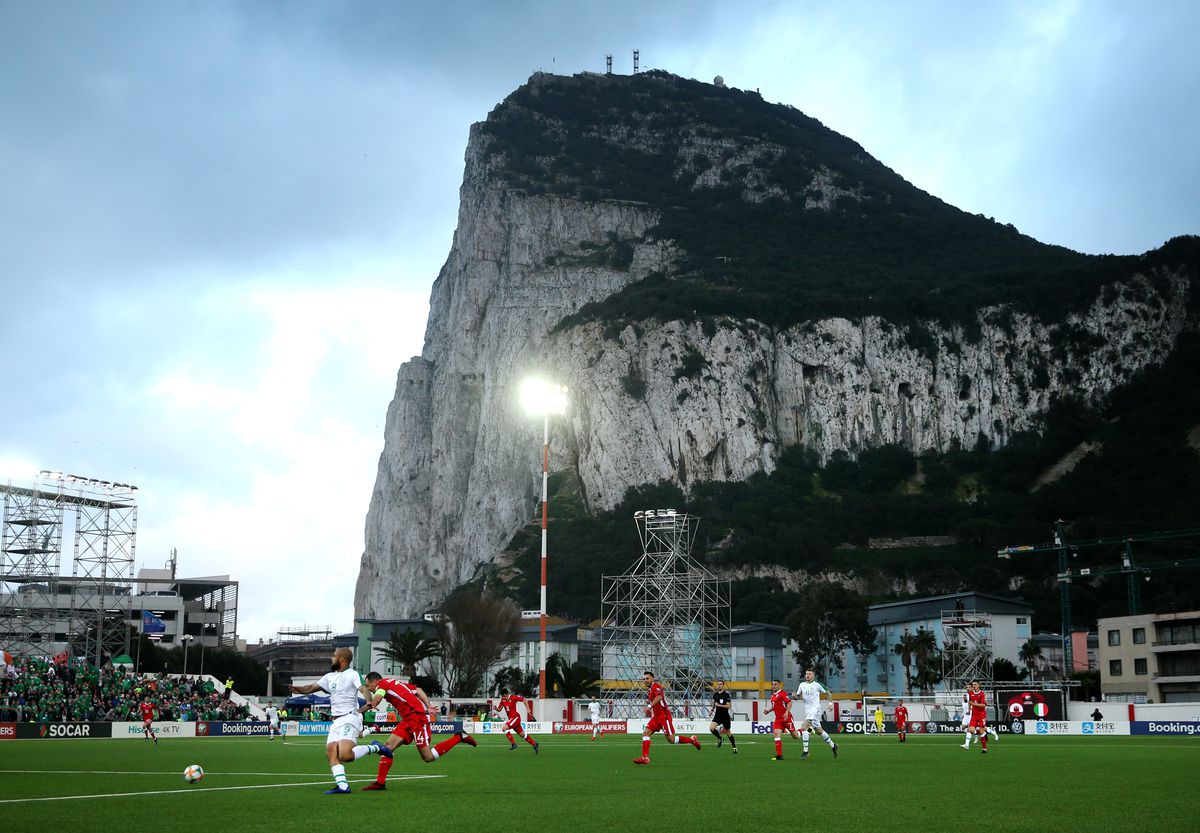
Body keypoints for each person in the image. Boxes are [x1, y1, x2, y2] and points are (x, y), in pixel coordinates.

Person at [288, 647, 390, 794]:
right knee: (331, 752)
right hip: (335, 721)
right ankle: (343, 786)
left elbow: (363, 689)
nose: (331, 658)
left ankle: (376, 748)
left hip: (349, 717)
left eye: (334, 656)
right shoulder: (329, 676)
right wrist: (299, 690)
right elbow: (311, 687)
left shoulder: (352, 674)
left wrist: (369, 701)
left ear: (341, 659)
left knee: (345, 755)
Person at [358, 672, 477, 790]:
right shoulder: (393, 682)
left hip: (416, 719)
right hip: (407, 720)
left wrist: (367, 706)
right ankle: (380, 783)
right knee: (388, 747)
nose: (369, 689)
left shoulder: (382, 684)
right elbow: (418, 690)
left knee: (428, 757)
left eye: (368, 686)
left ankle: (459, 737)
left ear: (375, 682)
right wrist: (428, 706)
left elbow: (378, 697)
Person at [633, 671, 701, 764]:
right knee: (645, 734)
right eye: (644, 679)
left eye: (647, 678)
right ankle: (645, 757)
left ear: (652, 678)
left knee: (671, 740)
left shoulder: (656, 686)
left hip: (664, 717)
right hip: (656, 717)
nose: (645, 680)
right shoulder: (650, 689)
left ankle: (692, 740)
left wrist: (649, 706)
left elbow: (659, 697)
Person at [794, 669, 838, 760]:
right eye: (806, 674)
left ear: (813, 675)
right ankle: (833, 745)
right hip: (808, 711)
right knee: (819, 731)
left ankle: (805, 751)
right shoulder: (802, 685)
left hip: (815, 710)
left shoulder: (817, 685)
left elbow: (828, 693)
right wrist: (794, 696)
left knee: (804, 727)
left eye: (809, 674)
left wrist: (830, 704)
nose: (807, 675)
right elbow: (797, 696)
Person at [767, 679, 799, 760]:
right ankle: (779, 755)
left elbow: (789, 702)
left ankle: (806, 730)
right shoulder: (773, 695)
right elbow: (775, 706)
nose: (773, 686)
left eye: (775, 684)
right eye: (772, 684)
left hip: (786, 718)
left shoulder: (782, 693)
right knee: (777, 734)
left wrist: (786, 712)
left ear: (779, 685)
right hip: (778, 719)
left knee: (795, 736)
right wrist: (768, 710)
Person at [709, 679, 737, 753]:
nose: (719, 685)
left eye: (720, 684)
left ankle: (734, 746)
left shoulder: (726, 695)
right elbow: (714, 703)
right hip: (718, 715)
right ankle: (720, 738)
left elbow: (728, 706)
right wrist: (711, 710)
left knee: (728, 731)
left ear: (723, 685)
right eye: (718, 684)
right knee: (711, 728)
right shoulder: (715, 695)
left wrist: (719, 705)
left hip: (725, 716)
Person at [961, 680, 989, 753]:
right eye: (973, 684)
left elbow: (983, 705)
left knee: (981, 732)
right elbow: (970, 702)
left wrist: (974, 704)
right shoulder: (970, 693)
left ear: (979, 685)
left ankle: (984, 749)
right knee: (970, 730)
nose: (974, 686)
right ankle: (982, 733)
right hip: (974, 715)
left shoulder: (982, 694)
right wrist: (969, 709)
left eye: (975, 684)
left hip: (981, 715)